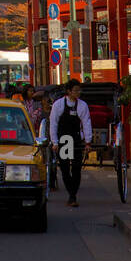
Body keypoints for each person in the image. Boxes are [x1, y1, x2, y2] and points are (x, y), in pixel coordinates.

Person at [50, 79, 92, 208]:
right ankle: (71, 193)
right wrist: (54, 142)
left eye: (79, 90)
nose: (78, 93)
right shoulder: (58, 105)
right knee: (64, 169)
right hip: (64, 140)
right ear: (69, 91)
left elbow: (86, 123)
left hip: (76, 138)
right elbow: (53, 124)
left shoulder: (82, 105)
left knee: (76, 168)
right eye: (75, 90)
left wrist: (88, 142)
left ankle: (73, 195)